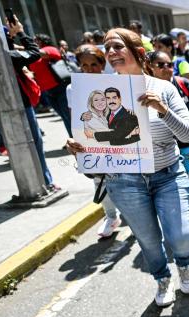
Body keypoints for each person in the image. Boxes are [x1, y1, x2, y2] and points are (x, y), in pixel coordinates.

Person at [70, 28, 189, 306]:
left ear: (138, 52)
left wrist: (163, 110)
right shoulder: (97, 93)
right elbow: (94, 140)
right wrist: (81, 146)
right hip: (124, 182)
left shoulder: (164, 88)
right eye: (107, 48)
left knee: (181, 237)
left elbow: (188, 135)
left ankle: (184, 264)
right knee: (148, 241)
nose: (111, 52)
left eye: (117, 46)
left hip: (167, 176)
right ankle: (163, 278)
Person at [147, 50, 189, 236]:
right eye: (161, 65)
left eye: (170, 64)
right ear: (149, 67)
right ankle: (183, 223)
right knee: (174, 194)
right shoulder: (144, 90)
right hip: (164, 155)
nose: (167, 69)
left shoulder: (185, 84)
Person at [65, 44, 122, 238]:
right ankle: (111, 217)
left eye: (93, 65)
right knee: (99, 181)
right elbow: (75, 120)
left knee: (127, 179)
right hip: (92, 142)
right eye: (84, 65)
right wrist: (73, 141)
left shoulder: (118, 82)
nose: (89, 70)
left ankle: (133, 215)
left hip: (120, 139)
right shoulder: (72, 88)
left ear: (102, 64)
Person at [4, 16, 56, 191]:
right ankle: (45, 182)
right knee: (35, 144)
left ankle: (35, 185)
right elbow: (33, 52)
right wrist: (20, 32)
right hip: (21, 106)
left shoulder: (7, 55)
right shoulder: (8, 56)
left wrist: (10, 37)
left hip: (4, 111)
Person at [30, 33, 72, 137]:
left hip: (61, 88)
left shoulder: (50, 49)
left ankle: (78, 140)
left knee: (69, 116)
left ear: (43, 41)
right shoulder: (34, 55)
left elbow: (42, 53)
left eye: (36, 40)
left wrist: (26, 47)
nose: (34, 43)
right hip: (48, 92)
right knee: (64, 116)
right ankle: (73, 139)